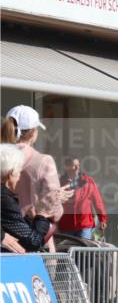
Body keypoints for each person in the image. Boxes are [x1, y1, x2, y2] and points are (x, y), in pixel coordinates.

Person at [2, 106, 71, 250]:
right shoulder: (44, 161)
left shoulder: (4, 157)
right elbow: (54, 212)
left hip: (6, 240)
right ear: (33, 132)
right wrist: (57, 201)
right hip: (36, 239)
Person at [1, 144, 51, 253]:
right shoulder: (4, 198)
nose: (20, 176)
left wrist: (33, 217)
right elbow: (33, 241)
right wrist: (43, 215)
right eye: (19, 172)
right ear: (11, 174)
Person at [58, 157, 108, 239]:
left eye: (78, 165)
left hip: (84, 224)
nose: (77, 168)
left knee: (83, 246)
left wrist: (102, 219)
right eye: (74, 165)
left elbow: (98, 201)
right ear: (66, 167)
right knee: (67, 246)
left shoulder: (88, 181)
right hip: (66, 224)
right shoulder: (60, 182)